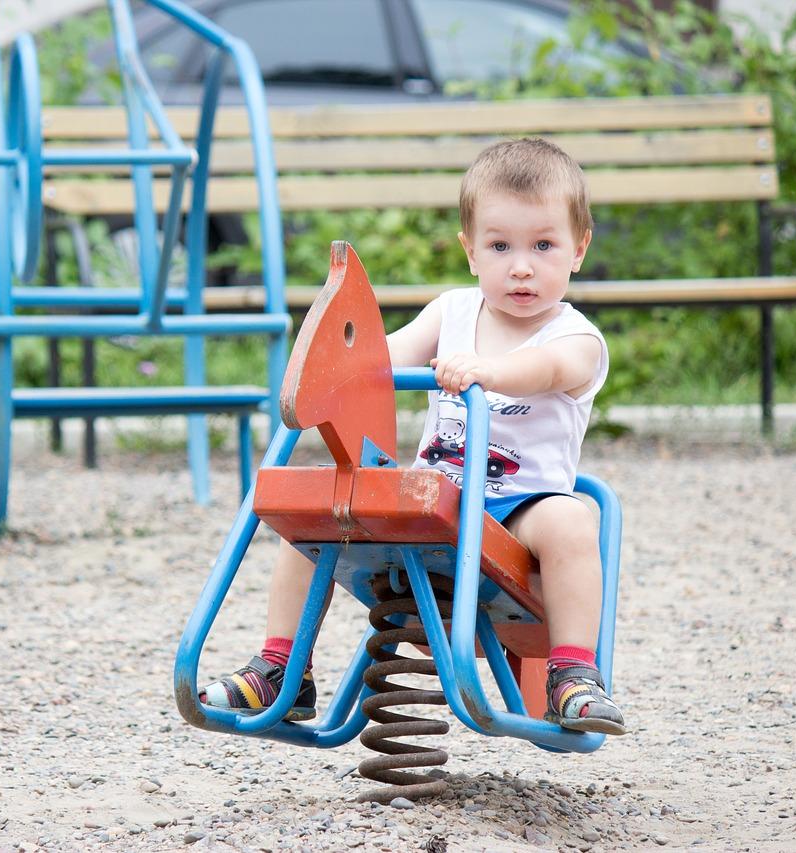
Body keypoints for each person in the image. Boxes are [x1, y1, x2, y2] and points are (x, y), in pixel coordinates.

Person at [199, 138, 627, 736]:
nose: (522, 266)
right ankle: (281, 667)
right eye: (500, 246)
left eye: (544, 245)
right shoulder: (450, 313)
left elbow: (553, 371)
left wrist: (488, 371)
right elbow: (381, 361)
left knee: (574, 521)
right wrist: (337, 365)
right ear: (470, 251)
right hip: (439, 493)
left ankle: (573, 673)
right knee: (312, 508)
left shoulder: (576, 337)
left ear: (578, 250)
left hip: (519, 506)